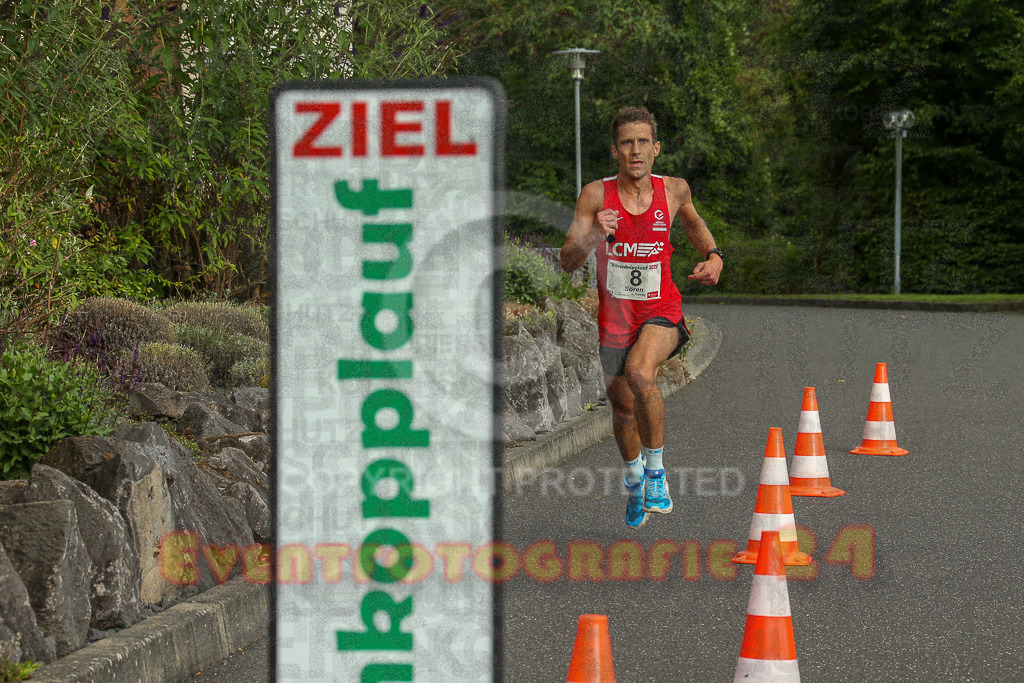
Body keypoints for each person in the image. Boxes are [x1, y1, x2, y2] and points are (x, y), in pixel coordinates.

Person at [560, 106, 723, 528]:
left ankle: (656, 474)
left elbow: (693, 223)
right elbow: (566, 260)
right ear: (615, 151)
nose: (636, 150)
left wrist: (714, 255)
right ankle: (635, 481)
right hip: (616, 317)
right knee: (622, 410)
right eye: (627, 143)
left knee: (641, 374)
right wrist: (595, 234)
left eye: (643, 142)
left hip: (660, 309)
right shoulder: (596, 196)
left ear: (656, 149)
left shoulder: (675, 190)